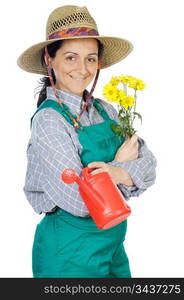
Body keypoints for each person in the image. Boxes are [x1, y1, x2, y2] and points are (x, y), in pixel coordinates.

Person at [17, 5, 157, 278]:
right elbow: (80, 202)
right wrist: (122, 169)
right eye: (71, 57)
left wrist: (112, 173)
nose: (83, 69)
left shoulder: (107, 110)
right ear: (50, 60)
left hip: (113, 248)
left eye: (91, 59)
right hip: (69, 255)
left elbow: (150, 167)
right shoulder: (49, 121)